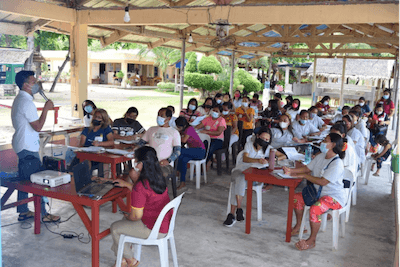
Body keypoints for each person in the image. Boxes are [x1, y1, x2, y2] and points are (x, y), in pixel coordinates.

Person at [11, 71, 60, 223]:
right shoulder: (26, 102)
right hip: (27, 146)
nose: (37, 85)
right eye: (34, 82)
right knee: (36, 181)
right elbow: (38, 127)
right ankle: (43, 214)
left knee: (25, 180)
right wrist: (46, 109)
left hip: (22, 144)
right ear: (26, 85)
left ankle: (24, 211)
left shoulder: (20, 99)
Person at [110, 146, 172, 267]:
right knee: (123, 222)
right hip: (163, 223)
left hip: (153, 228)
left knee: (115, 228)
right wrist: (128, 184)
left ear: (140, 164)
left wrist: (128, 216)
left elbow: (136, 216)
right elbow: (148, 193)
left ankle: (130, 261)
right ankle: (121, 259)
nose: (134, 163)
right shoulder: (159, 176)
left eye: (136, 160)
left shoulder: (141, 185)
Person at [284, 133, 346, 251]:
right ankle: (299, 226)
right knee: (296, 198)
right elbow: (308, 168)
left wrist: (304, 176)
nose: (322, 142)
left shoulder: (337, 163)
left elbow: (323, 182)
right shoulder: (321, 156)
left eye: (325, 140)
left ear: (332, 144)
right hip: (317, 194)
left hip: (334, 197)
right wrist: (291, 171)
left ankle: (312, 240)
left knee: (315, 209)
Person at [223, 127, 272, 227]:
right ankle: (238, 209)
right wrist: (258, 160)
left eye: (267, 140)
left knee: (238, 181)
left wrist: (272, 158)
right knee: (240, 178)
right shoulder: (249, 144)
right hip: (242, 171)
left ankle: (232, 213)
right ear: (258, 136)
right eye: (263, 138)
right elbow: (245, 158)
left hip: (255, 177)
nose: (265, 141)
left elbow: (281, 155)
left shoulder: (268, 149)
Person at [141, 108, 181, 178]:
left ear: (168, 118)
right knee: (134, 172)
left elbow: (177, 151)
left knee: (158, 175)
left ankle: (155, 188)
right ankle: (141, 189)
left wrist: (168, 160)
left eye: (162, 116)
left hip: (165, 165)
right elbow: (141, 143)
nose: (159, 117)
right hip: (150, 162)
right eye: (158, 115)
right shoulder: (151, 129)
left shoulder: (174, 132)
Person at [175, 117, 206, 190]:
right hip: (192, 151)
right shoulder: (185, 129)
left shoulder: (189, 129)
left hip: (199, 151)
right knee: (183, 159)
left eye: (178, 126)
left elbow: (184, 140)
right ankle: (182, 182)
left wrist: (177, 135)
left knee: (179, 152)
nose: (177, 128)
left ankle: (176, 172)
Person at [195, 104, 227, 169]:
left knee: (210, 149)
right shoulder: (208, 118)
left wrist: (207, 132)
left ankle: (204, 165)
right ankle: (200, 163)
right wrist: (193, 129)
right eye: (213, 110)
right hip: (207, 139)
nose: (214, 112)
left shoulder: (221, 120)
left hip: (218, 140)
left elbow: (218, 133)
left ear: (220, 113)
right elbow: (198, 126)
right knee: (201, 146)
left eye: (216, 111)